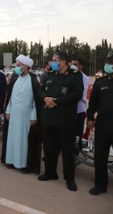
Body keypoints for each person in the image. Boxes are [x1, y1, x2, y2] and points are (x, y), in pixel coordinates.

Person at [38, 52, 83, 192]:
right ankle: (50, 173)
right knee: (49, 148)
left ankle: (70, 179)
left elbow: (77, 94)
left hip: (65, 120)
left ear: (63, 62)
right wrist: (45, 98)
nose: (52, 63)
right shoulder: (51, 74)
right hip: (50, 118)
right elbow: (41, 90)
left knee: (67, 151)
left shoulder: (75, 75)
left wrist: (55, 102)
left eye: (54, 60)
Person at [86, 50, 113, 198]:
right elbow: (93, 103)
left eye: (111, 63)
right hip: (103, 125)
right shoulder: (101, 82)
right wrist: (90, 118)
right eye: (107, 62)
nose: (108, 65)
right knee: (100, 157)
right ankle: (100, 185)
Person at [2, 55, 42, 174]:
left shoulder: (33, 82)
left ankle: (24, 164)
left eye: (18, 65)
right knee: (12, 138)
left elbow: (36, 102)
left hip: (26, 117)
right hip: (14, 115)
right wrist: (8, 111)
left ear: (25, 67)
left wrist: (34, 116)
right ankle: (11, 160)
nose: (16, 67)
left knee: (23, 141)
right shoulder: (15, 80)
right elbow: (10, 98)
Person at [71, 58, 90, 151]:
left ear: (80, 66)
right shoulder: (69, 75)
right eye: (71, 63)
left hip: (79, 109)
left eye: (75, 64)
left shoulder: (85, 78)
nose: (72, 65)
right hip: (68, 109)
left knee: (77, 133)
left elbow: (81, 93)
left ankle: (76, 152)